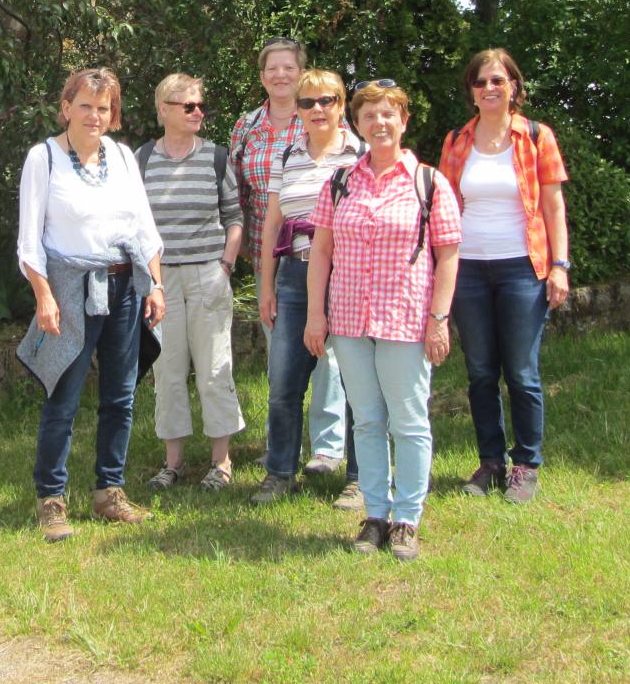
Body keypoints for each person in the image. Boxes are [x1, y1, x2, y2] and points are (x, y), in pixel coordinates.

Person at [304, 80, 461, 562]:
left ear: (404, 120)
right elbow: (322, 252)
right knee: (368, 422)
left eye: (388, 114)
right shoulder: (341, 181)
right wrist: (316, 315)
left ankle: (407, 519)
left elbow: (448, 255)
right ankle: (375, 514)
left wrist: (439, 319)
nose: (379, 123)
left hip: (405, 322)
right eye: (369, 115)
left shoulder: (428, 183)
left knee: (409, 422)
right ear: (358, 124)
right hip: (350, 321)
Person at [17, 67, 166, 542]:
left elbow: (144, 228)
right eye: (85, 105)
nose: (94, 115)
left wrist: (155, 285)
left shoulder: (122, 157)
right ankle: (51, 499)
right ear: (65, 108)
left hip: (124, 288)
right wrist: (44, 294)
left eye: (103, 108)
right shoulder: (43, 158)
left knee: (120, 398)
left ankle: (109, 491)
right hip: (69, 286)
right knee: (63, 395)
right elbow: (29, 241)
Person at [437, 49, 570, 505]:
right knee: (479, 372)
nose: (489, 88)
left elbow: (553, 206)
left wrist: (560, 265)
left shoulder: (536, 137)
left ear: (514, 86)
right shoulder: (456, 141)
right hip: (468, 268)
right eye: (480, 82)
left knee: (521, 372)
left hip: (521, 267)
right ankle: (490, 462)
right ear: (471, 92)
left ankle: (525, 465)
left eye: (497, 80)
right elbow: (445, 206)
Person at [230, 39, 354, 503]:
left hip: (344, 271)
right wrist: (257, 273)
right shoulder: (252, 130)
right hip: (281, 261)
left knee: (340, 368)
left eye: (290, 68)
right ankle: (280, 465)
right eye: (272, 68)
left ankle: (332, 453)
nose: (281, 75)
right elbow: (237, 189)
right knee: (283, 373)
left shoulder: (353, 149)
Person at [137, 73, 246, 492]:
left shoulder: (217, 158)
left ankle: (221, 463)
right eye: (188, 106)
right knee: (166, 370)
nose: (198, 112)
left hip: (207, 275)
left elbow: (234, 217)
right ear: (164, 109)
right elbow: (137, 225)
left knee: (215, 369)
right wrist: (151, 281)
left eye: (201, 105)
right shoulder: (143, 159)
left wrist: (224, 267)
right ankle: (173, 462)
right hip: (162, 282)